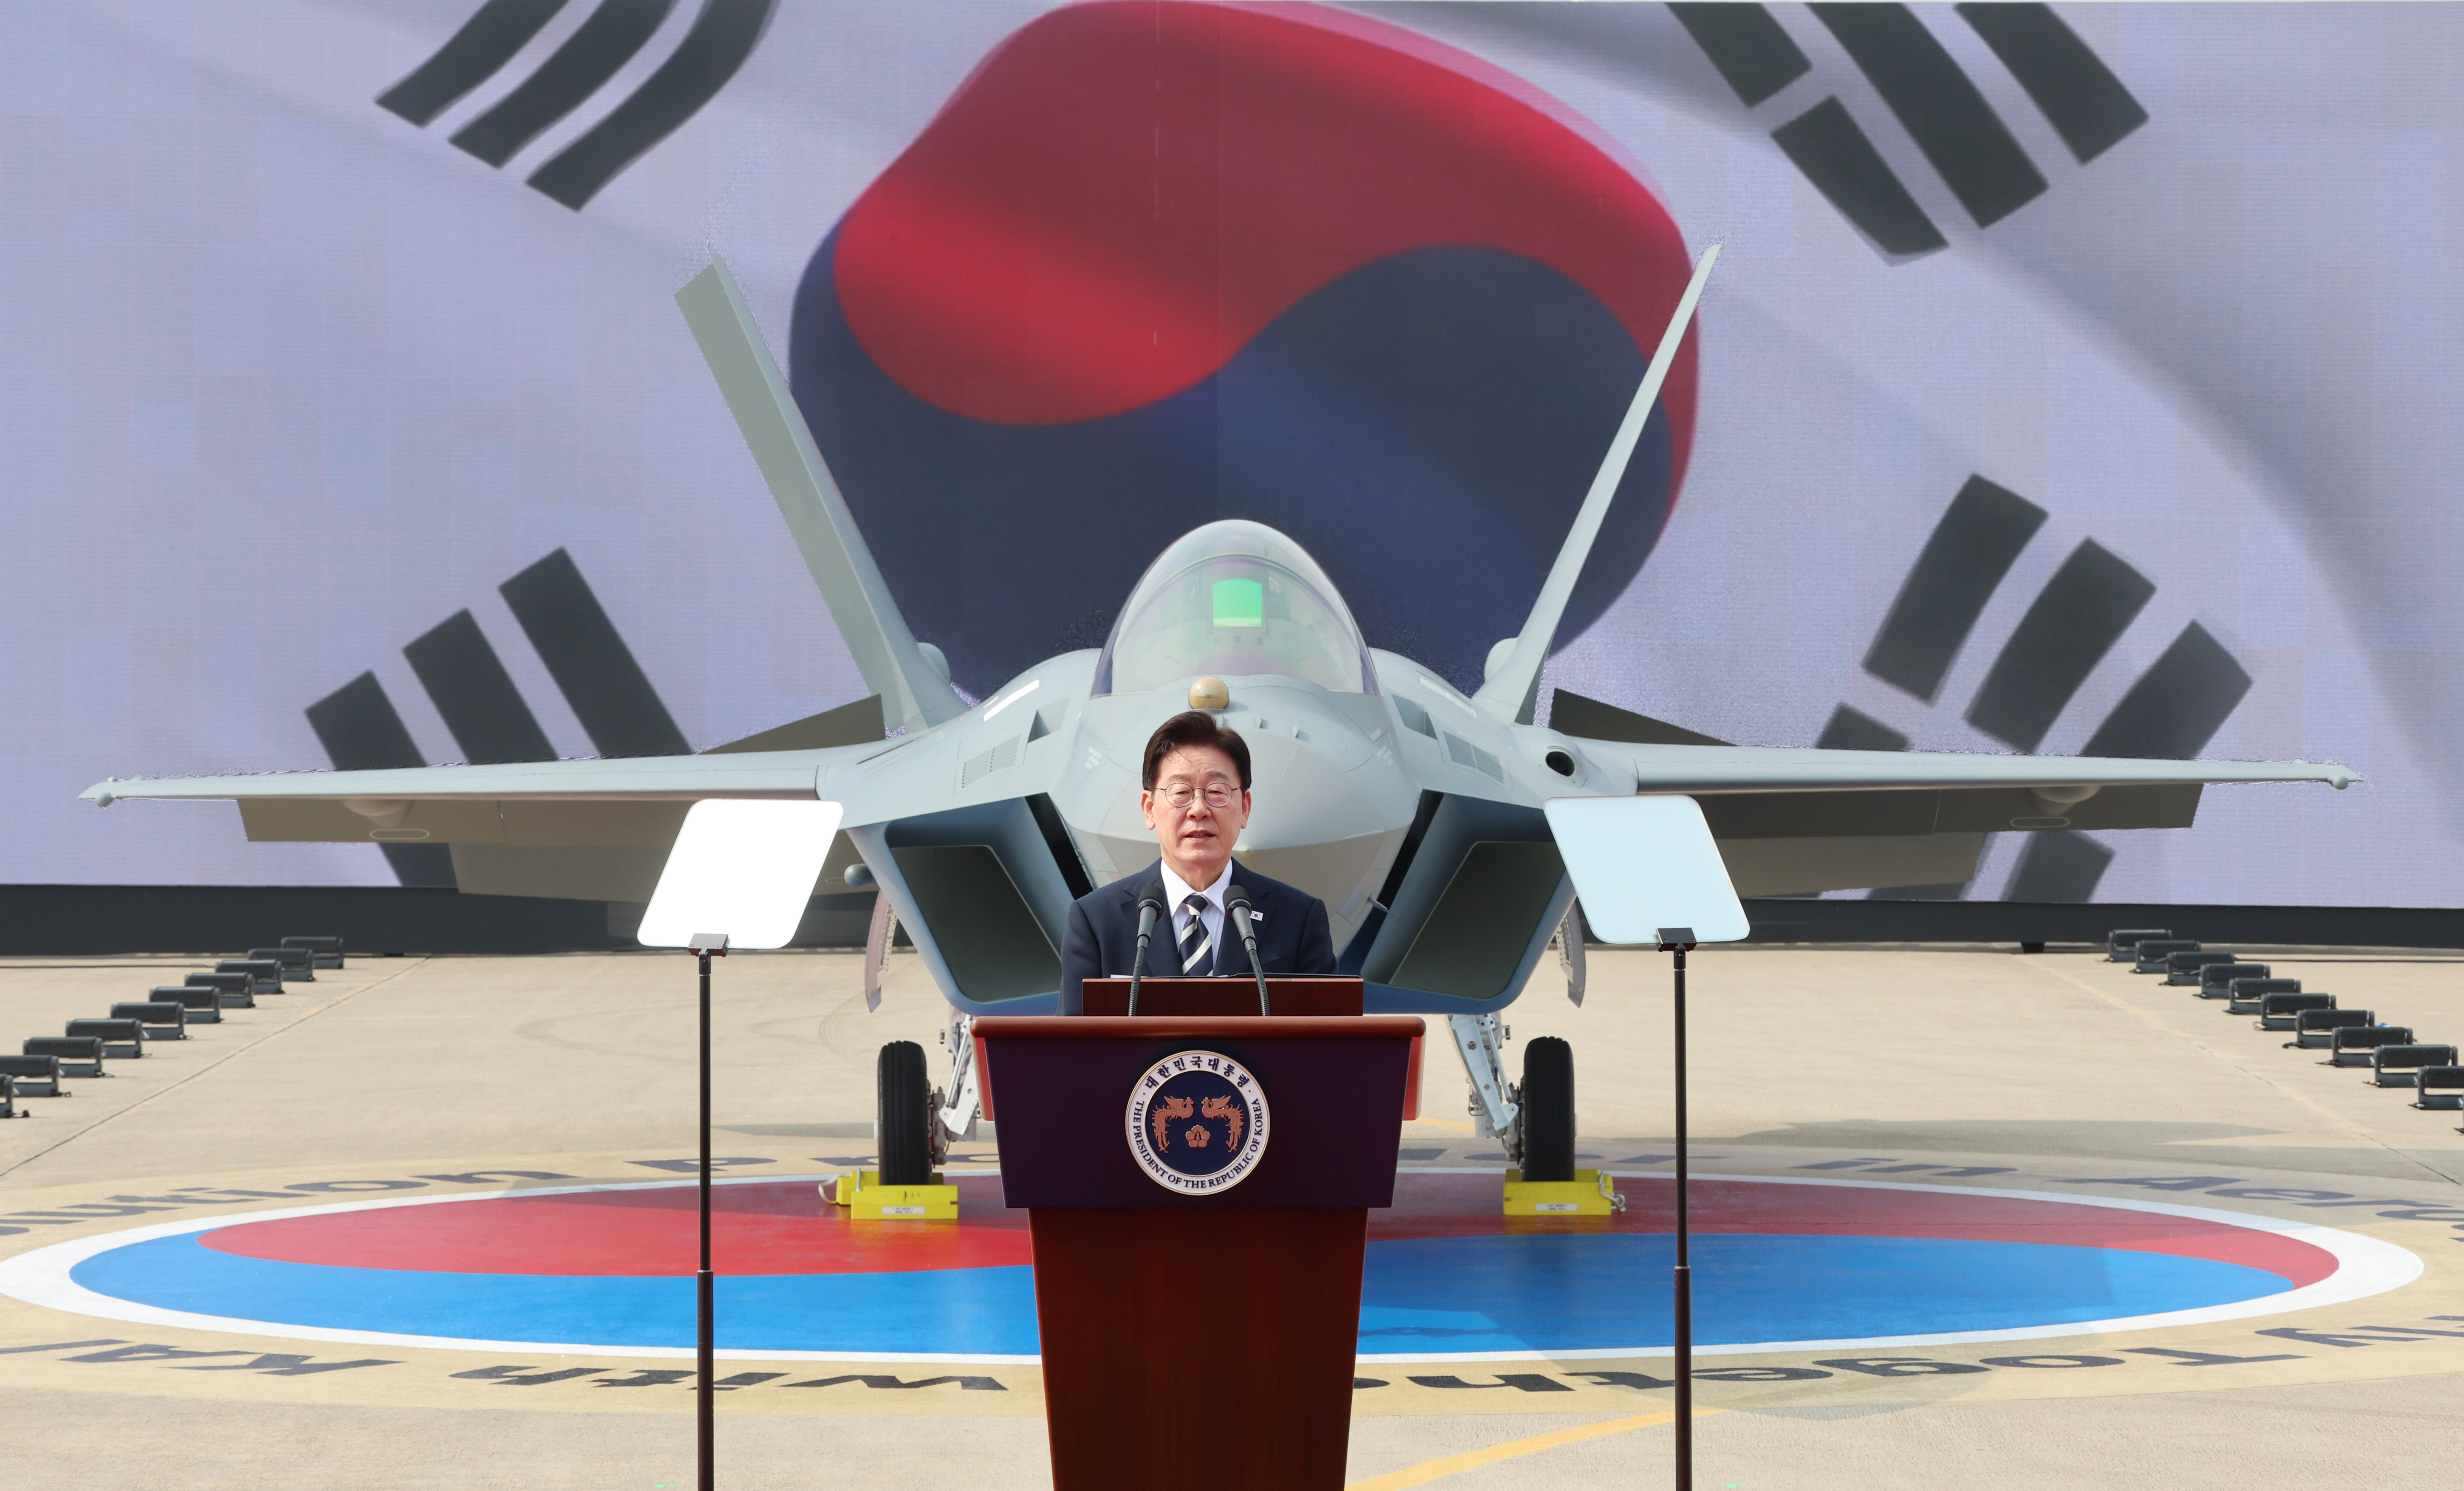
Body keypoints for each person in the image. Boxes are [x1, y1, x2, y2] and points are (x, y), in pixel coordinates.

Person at [1058, 710, 1334, 1013]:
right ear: (1149, 809)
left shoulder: (1298, 917)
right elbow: (1072, 1040)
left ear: (1244, 809)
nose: (1199, 810)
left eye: (1217, 792)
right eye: (1181, 793)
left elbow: (1329, 1037)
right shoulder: (1097, 920)